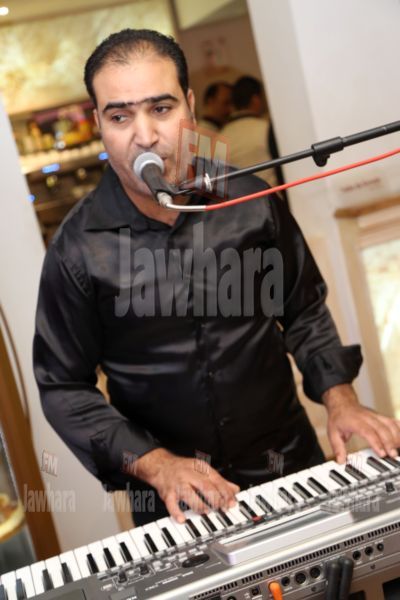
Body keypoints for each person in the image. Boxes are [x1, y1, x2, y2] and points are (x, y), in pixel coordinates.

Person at [33, 28, 400, 527]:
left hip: (289, 465)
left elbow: (303, 311)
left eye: (161, 109)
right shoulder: (77, 250)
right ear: (98, 124)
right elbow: (63, 387)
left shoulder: (251, 203)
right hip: (173, 502)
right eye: (120, 117)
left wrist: (342, 399)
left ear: (190, 107)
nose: (145, 135)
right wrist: (157, 465)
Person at [222, 76, 278, 188]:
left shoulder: (219, 137)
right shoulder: (266, 129)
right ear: (256, 100)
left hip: (238, 198)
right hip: (270, 196)